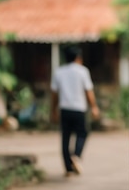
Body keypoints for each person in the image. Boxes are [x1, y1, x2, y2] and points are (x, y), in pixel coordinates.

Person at [50, 45, 100, 177]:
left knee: (65, 138)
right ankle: (76, 155)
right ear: (78, 58)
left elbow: (54, 94)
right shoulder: (83, 71)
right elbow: (88, 92)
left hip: (65, 109)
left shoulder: (59, 72)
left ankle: (68, 168)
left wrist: (53, 110)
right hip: (79, 109)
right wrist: (94, 107)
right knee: (82, 133)